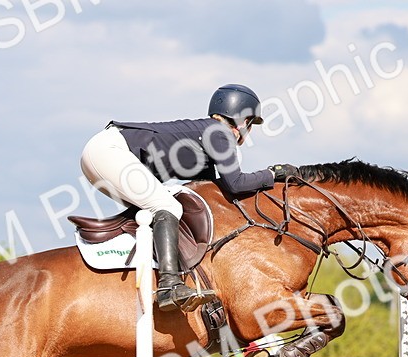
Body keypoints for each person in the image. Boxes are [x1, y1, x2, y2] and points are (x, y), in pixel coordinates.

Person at [81, 83, 299, 311]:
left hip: (104, 152)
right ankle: (169, 286)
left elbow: (213, 190)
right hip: (110, 152)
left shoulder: (209, 134)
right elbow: (236, 184)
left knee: (155, 211)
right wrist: (273, 174)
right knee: (168, 207)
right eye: (252, 124)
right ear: (244, 121)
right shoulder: (220, 133)